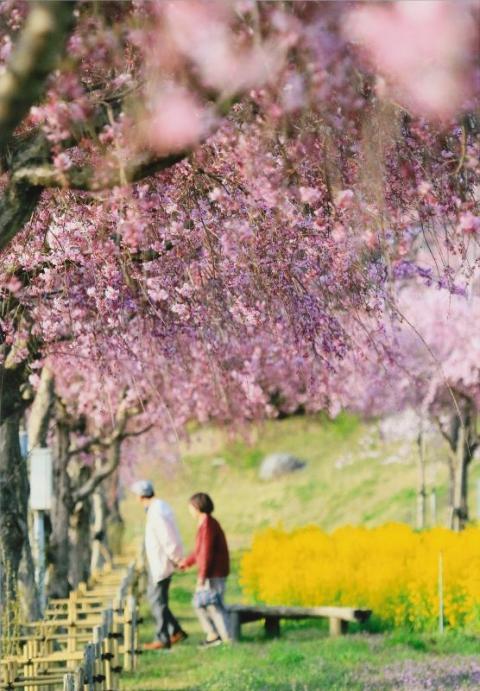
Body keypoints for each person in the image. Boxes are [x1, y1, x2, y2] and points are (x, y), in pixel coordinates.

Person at [131, 479, 188, 650]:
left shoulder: (157, 511)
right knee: (157, 599)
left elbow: (167, 536)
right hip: (160, 562)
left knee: (157, 601)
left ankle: (163, 638)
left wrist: (176, 557)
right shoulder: (158, 508)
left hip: (161, 563)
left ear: (141, 496)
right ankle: (176, 631)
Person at [180, 492, 231, 647]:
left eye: (190, 507)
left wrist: (203, 575)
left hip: (213, 573)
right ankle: (214, 635)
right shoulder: (205, 523)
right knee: (204, 604)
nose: (189, 510)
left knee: (213, 606)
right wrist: (187, 562)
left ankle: (225, 638)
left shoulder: (208, 524)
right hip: (211, 572)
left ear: (198, 506)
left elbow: (207, 551)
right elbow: (200, 551)